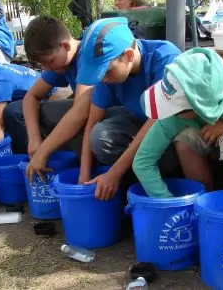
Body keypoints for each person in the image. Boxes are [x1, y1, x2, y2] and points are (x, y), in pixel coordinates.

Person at [77, 17, 181, 200]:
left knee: (175, 149)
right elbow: (92, 121)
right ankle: (131, 184)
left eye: (106, 72)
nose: (103, 79)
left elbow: (156, 121)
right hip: (139, 124)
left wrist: (114, 173)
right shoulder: (108, 73)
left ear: (129, 55)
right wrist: (83, 176)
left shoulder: (164, 58)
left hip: (172, 129)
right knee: (99, 135)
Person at [133, 48, 223, 197]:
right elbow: (143, 161)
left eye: (177, 110)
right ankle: (205, 203)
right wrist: (168, 202)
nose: (171, 114)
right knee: (185, 139)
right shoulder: (174, 116)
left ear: (200, 106)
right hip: (217, 140)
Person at [3, 15, 95, 182]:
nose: (47, 69)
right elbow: (31, 96)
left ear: (65, 45)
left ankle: (81, 167)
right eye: (43, 66)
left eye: (50, 62)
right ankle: (40, 165)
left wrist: (44, 150)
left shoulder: (87, 56)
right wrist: (34, 139)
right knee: (14, 110)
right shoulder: (61, 62)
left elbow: (81, 112)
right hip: (84, 113)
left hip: (104, 117)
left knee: (72, 119)